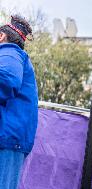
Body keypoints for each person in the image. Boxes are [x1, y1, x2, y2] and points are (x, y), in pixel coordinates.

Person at [0, 15, 38, 188]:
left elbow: (7, 81)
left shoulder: (9, 51)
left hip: (6, 138)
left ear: (1, 36)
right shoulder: (15, 55)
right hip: (10, 137)